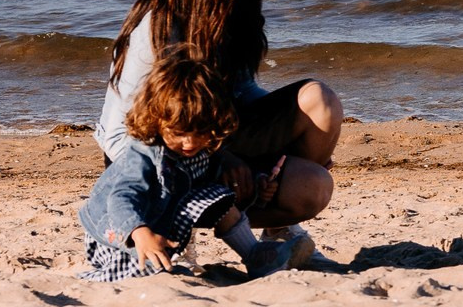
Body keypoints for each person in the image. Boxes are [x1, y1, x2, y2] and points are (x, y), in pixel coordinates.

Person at [100, 0, 342, 254]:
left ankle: (278, 232)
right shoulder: (162, 23)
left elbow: (242, 92)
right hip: (157, 162)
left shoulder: (239, 0)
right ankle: (177, 227)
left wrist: (286, 146)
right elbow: (121, 135)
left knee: (316, 143)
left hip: (212, 137)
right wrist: (214, 159)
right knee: (310, 179)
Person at [80, 61, 318, 281]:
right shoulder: (144, 154)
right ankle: (93, 278)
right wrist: (139, 233)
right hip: (116, 230)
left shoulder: (200, 148)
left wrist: (258, 185)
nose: (190, 143)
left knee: (220, 197)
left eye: (200, 131)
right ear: (158, 120)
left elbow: (211, 178)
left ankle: (254, 254)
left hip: (162, 215)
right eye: (179, 134)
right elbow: (121, 198)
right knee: (149, 270)